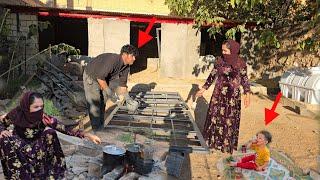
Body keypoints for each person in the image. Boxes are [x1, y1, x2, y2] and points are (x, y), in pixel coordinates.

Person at [0, 91, 101, 179]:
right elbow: (1, 123)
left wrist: (87, 135)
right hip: (20, 146)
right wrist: (2, 131)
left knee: (50, 133)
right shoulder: (16, 114)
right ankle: (20, 176)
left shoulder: (43, 117)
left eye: (41, 106)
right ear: (26, 106)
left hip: (37, 148)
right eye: (36, 107)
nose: (39, 110)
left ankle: (54, 171)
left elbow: (63, 127)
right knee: (4, 140)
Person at [196, 39, 251, 154]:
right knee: (215, 118)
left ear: (233, 50)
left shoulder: (240, 63)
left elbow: (245, 79)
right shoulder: (219, 61)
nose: (224, 53)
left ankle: (226, 145)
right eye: (222, 50)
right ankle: (213, 143)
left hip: (232, 97)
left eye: (226, 51)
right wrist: (204, 88)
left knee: (229, 120)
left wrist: (247, 93)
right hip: (219, 95)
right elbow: (212, 76)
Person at [83, 44, 139, 129]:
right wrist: (110, 93)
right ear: (124, 54)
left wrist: (128, 99)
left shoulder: (126, 66)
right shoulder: (112, 60)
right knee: (95, 103)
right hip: (91, 76)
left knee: (102, 102)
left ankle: (100, 126)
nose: (134, 59)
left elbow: (122, 85)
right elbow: (100, 78)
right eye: (132, 56)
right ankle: (96, 130)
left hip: (103, 77)